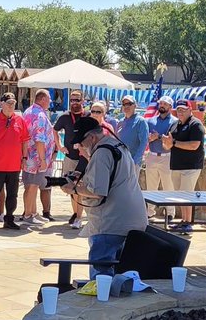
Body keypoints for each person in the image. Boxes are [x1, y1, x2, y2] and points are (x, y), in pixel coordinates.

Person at [61, 117, 147, 276]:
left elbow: (98, 191)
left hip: (111, 224)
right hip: (130, 220)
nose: (80, 147)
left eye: (82, 142)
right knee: (122, 277)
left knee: (102, 280)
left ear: (92, 137)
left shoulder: (101, 152)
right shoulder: (118, 145)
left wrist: (73, 189)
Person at [0, 92, 29, 230]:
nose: (11, 106)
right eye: (8, 103)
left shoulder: (20, 120)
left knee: (12, 194)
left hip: (14, 166)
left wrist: (24, 158)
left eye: (13, 103)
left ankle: (9, 218)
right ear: (2, 104)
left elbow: (24, 141)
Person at [162, 100, 205, 233]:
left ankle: (188, 222)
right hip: (176, 165)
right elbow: (167, 145)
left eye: (183, 109)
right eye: (179, 110)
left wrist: (173, 142)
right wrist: (167, 143)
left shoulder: (196, 124)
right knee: (180, 195)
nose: (180, 112)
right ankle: (184, 221)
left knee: (186, 194)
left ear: (190, 110)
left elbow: (194, 145)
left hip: (191, 166)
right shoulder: (174, 125)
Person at [54, 89, 91, 229]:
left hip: (83, 157)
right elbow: (54, 130)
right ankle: (76, 213)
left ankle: (79, 216)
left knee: (80, 187)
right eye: (72, 100)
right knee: (70, 187)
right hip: (70, 157)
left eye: (77, 100)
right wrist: (59, 146)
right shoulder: (65, 117)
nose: (74, 103)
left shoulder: (88, 115)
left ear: (82, 101)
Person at [21, 90, 57, 226]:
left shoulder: (28, 111)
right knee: (33, 186)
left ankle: (32, 212)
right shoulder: (40, 115)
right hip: (35, 157)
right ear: (42, 99)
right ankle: (29, 214)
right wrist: (42, 160)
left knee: (30, 186)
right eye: (49, 99)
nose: (50, 102)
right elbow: (39, 139)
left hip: (28, 156)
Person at [145, 96, 177, 217]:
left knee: (168, 186)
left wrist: (158, 137)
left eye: (165, 104)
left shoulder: (174, 121)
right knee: (151, 186)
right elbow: (146, 137)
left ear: (170, 106)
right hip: (152, 155)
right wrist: (150, 138)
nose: (162, 105)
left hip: (167, 156)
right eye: (161, 103)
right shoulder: (151, 121)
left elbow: (171, 139)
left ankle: (170, 212)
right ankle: (150, 211)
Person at [115, 94, 148, 177]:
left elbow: (143, 142)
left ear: (135, 106)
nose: (126, 106)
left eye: (129, 104)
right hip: (120, 161)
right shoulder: (120, 122)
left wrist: (135, 161)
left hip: (133, 162)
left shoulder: (141, 121)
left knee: (131, 188)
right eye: (124, 104)